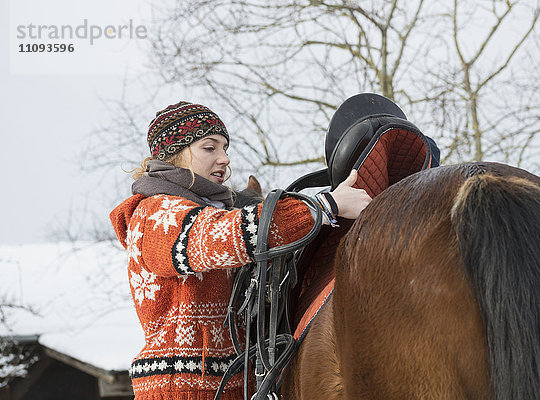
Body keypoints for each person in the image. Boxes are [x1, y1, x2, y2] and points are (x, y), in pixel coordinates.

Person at [109, 101, 371, 400]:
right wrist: (325, 206)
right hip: (181, 387)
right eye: (210, 148)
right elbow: (224, 236)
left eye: (225, 148)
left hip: (231, 383)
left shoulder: (210, 209)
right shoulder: (155, 214)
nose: (224, 159)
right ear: (175, 154)